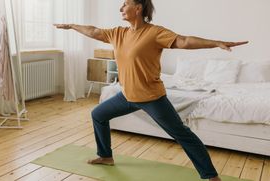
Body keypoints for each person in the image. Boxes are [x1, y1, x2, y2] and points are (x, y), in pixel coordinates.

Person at [54, 0, 248, 180]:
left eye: (125, 4)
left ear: (138, 8)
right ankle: (105, 156)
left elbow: (184, 41)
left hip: (151, 98)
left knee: (182, 134)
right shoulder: (118, 33)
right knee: (98, 114)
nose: (121, 8)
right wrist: (72, 25)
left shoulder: (154, 33)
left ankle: (211, 176)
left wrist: (216, 43)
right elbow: (94, 31)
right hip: (126, 95)